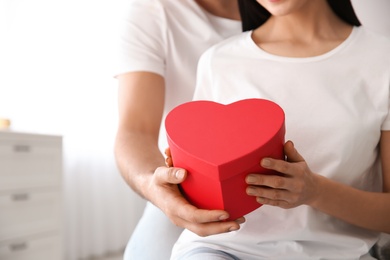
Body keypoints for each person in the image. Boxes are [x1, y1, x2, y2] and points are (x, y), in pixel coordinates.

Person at [170, 0, 390, 259]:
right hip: (223, 249)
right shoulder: (218, 61)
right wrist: (181, 184)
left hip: (336, 253)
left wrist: (316, 192)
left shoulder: (381, 60)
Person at [113, 0, 244, 259]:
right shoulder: (153, 12)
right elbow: (135, 130)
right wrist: (155, 186)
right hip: (187, 189)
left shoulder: (282, 9)